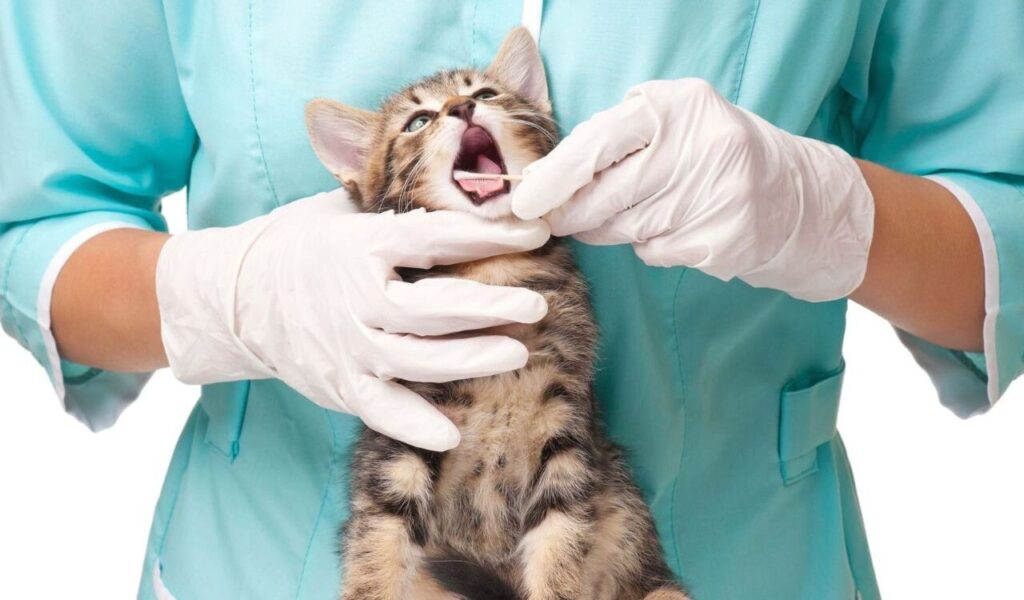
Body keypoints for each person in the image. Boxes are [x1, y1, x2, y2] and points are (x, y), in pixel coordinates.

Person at [1, 1, 1021, 598]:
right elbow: (33, 222)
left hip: (739, 563)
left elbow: (1003, 231)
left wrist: (826, 212)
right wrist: (219, 296)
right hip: (265, 565)